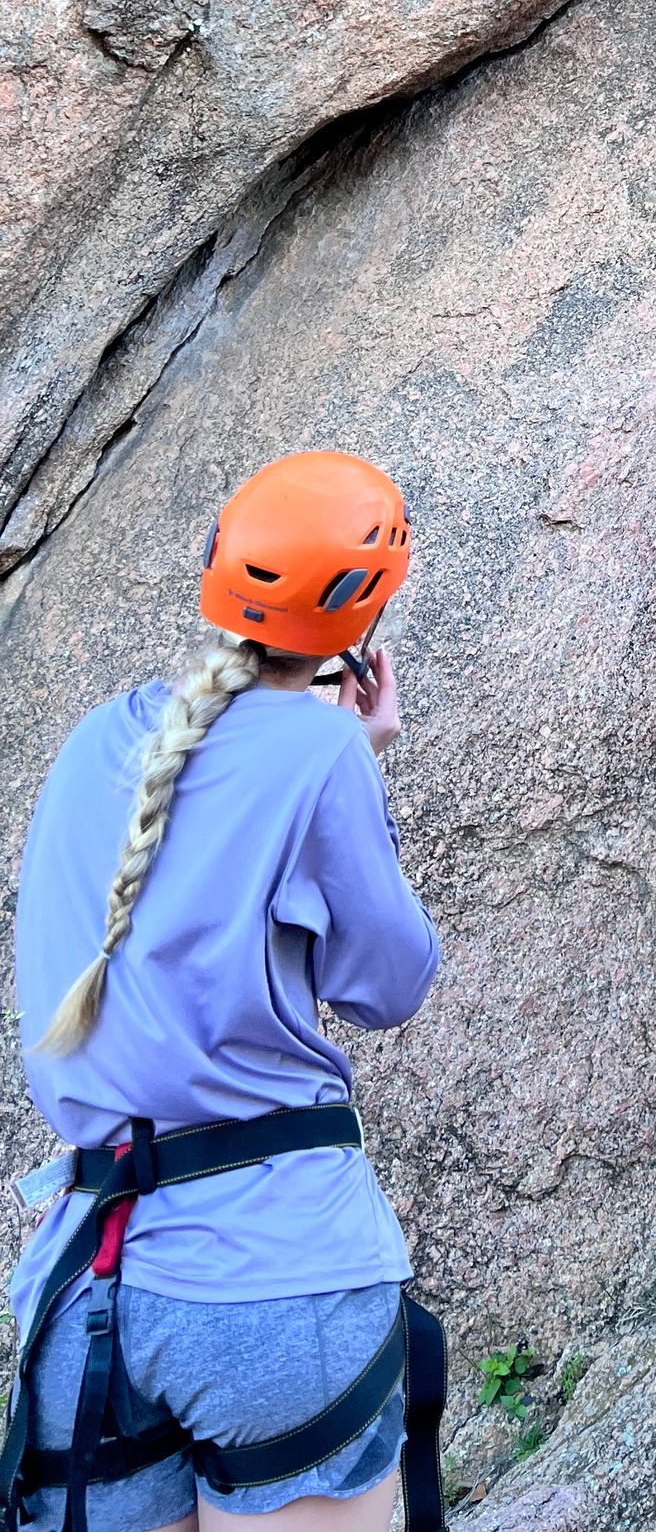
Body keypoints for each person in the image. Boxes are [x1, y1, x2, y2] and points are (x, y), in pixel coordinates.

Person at [3, 451, 441, 1532]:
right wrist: (358, 759)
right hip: (272, 1284)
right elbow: (389, 982)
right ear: (361, 614)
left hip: (88, 1288)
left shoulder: (92, 743)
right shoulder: (324, 751)